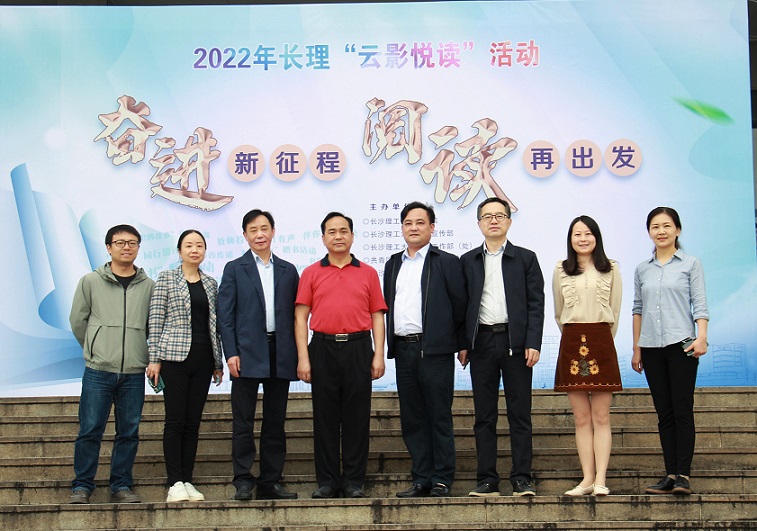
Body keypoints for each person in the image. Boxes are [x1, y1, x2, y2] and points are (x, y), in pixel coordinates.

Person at [295, 212, 387, 499]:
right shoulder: (311, 273)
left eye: (343, 231)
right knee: (324, 418)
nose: (338, 236)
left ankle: (353, 481)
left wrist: (378, 355)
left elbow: (377, 316)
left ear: (352, 236)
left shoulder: (368, 273)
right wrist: (303, 358)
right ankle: (327, 481)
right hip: (322, 348)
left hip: (359, 348)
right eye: (332, 232)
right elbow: (300, 318)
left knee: (357, 418)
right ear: (323, 238)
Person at [460, 198, 544, 497]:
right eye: (487, 216)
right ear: (479, 223)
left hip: (516, 343)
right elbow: (461, 306)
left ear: (509, 221)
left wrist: (532, 341)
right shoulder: (467, 260)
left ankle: (521, 478)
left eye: (499, 215)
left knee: (519, 413)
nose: (493, 220)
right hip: (481, 343)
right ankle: (487, 479)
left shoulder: (526, 258)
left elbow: (536, 304)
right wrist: (463, 343)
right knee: (484, 416)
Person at [384, 202, 467, 498]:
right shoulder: (393, 264)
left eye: (420, 222)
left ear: (432, 227)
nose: (414, 228)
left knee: (439, 415)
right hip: (404, 349)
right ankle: (421, 478)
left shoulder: (446, 262)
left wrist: (461, 343)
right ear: (402, 228)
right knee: (413, 418)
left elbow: (460, 305)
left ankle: (442, 478)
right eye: (408, 223)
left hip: (435, 351)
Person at [68, 224, 155, 504]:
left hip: (133, 372)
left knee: (128, 432)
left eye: (132, 242)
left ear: (138, 247)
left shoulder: (149, 286)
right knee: (90, 429)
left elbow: (152, 326)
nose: (126, 247)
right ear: (108, 247)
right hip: (98, 371)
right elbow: (78, 321)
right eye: (120, 242)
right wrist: (96, 348)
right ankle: (82, 486)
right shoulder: (90, 281)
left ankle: (121, 485)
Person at [218, 209, 300, 501]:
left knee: (275, 421)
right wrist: (231, 353)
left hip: (281, 351)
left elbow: (297, 315)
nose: (260, 234)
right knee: (243, 420)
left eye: (264, 228)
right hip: (246, 352)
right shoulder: (234, 268)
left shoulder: (288, 270)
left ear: (273, 231)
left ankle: (270, 482)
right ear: (245, 235)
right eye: (253, 230)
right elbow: (225, 315)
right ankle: (242, 479)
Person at [632, 206, 708, 496]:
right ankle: (670, 474)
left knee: (682, 410)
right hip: (651, 347)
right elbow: (638, 309)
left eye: (666, 226)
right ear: (649, 232)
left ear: (677, 230)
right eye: (655, 227)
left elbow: (700, 303)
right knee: (664, 413)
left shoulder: (690, 264)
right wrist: (637, 348)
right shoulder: (642, 269)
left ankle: (683, 476)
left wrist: (702, 337)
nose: (661, 231)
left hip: (682, 345)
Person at [146, 229, 225, 502]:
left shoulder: (211, 283)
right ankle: (174, 482)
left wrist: (218, 362)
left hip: (204, 359)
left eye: (199, 245)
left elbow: (214, 326)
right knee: (175, 420)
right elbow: (156, 320)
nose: (194, 250)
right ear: (179, 251)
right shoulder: (166, 278)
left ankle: (187, 479)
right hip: (174, 359)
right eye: (189, 245)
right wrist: (154, 359)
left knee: (193, 422)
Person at [552, 216, 623, 497]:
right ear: (570, 239)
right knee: (581, 418)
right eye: (577, 234)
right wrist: (574, 335)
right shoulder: (561, 269)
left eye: (588, 233)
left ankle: (601, 480)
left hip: (602, 339)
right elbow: (558, 311)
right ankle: (587, 479)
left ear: (597, 237)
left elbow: (615, 309)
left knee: (601, 416)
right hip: (572, 339)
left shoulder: (611, 268)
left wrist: (601, 339)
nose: (583, 239)